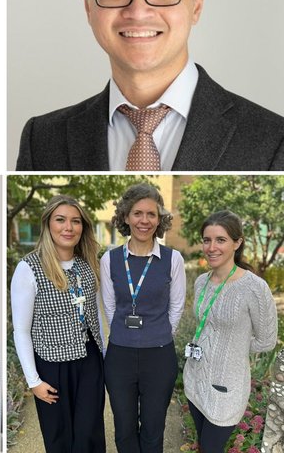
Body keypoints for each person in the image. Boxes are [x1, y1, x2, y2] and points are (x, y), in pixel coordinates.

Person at [16, 0, 284, 171]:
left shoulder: (272, 140)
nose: (138, 10)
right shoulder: (42, 138)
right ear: (88, 4)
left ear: (197, 3)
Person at [11, 195, 106, 452]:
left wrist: (104, 360)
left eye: (76, 221)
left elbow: (95, 317)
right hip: (52, 366)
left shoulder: (88, 265)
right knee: (59, 438)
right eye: (61, 220)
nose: (69, 227)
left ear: (83, 227)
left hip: (89, 362)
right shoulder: (29, 267)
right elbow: (20, 330)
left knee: (90, 435)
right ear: (48, 224)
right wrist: (34, 381)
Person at [101, 183, 186, 452]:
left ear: (159, 220)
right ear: (125, 216)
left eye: (151, 214)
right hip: (120, 356)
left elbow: (176, 306)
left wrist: (156, 335)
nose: (144, 220)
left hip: (159, 356)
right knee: (124, 429)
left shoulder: (173, 259)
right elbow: (110, 307)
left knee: (153, 429)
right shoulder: (110, 259)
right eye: (138, 213)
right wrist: (129, 335)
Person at [183, 211, 277, 452]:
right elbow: (206, 326)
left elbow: (266, 341)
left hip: (225, 390)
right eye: (207, 240)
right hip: (195, 380)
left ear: (237, 242)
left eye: (221, 240)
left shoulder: (254, 288)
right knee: (202, 446)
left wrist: (233, 347)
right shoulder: (202, 281)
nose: (211, 247)